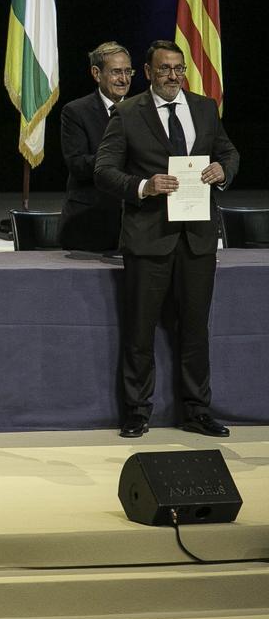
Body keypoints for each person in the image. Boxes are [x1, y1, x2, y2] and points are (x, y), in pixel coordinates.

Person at [95, 40, 239, 439]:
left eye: (178, 69)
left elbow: (229, 153)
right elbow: (103, 171)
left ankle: (197, 410)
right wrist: (144, 185)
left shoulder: (205, 108)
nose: (173, 76)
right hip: (149, 239)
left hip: (196, 239)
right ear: (148, 72)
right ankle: (137, 412)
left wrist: (221, 171)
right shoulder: (127, 114)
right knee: (140, 332)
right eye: (165, 69)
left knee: (195, 330)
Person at [58, 41, 131, 252]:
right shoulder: (76, 111)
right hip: (88, 225)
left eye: (128, 71)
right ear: (96, 73)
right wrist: (121, 158)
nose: (124, 79)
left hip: (135, 225)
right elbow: (78, 164)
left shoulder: (143, 109)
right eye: (116, 72)